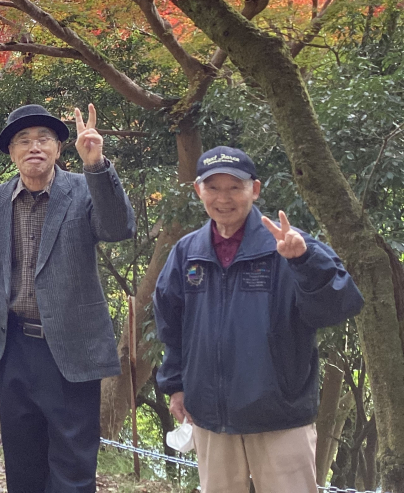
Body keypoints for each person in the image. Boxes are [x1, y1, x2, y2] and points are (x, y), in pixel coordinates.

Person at [154, 146, 364, 493]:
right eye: (214, 188)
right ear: (198, 191)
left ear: (255, 189)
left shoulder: (288, 245)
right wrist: (175, 385)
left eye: (234, 187)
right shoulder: (187, 253)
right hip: (211, 417)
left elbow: (340, 305)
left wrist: (304, 262)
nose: (224, 198)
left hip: (279, 414)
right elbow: (171, 325)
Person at [0, 103, 137, 493]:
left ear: (59, 149)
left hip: (70, 350)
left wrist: (96, 164)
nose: (34, 147)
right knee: (22, 467)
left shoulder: (83, 189)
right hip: (14, 349)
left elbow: (118, 227)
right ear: (11, 152)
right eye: (23, 140)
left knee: (73, 470)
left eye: (44, 138)